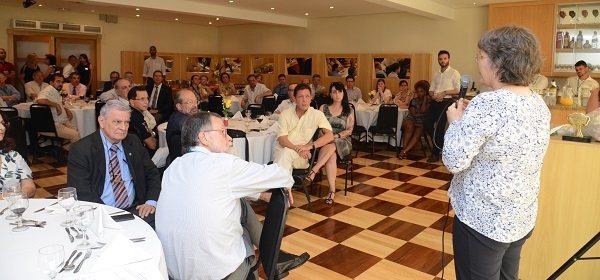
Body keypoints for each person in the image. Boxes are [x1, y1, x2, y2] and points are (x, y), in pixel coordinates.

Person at [443, 26, 550, 280]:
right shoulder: (538, 103)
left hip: (483, 220)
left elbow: (453, 161)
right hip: (518, 216)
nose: (478, 62)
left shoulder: (488, 102)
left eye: (480, 56)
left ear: (498, 62)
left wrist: (456, 121)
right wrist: (470, 121)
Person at [157, 111, 309, 280]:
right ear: (204, 138)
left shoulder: (173, 167)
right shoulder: (222, 164)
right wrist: (283, 185)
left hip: (174, 272)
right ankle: (272, 258)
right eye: (223, 132)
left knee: (239, 202)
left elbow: (217, 187)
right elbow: (281, 174)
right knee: (242, 231)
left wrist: (259, 194)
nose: (229, 138)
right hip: (216, 273)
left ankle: (277, 257)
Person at [67, 100, 161, 226]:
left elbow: (152, 173)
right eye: (117, 122)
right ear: (102, 121)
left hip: (136, 209)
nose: (123, 128)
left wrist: (150, 202)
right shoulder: (82, 149)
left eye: (126, 122)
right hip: (100, 213)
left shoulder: (133, 141)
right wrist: (106, 217)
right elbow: (82, 192)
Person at [308, 82, 354, 205]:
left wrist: (335, 136)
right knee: (331, 156)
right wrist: (325, 136)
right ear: (330, 94)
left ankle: (315, 168)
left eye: (339, 91)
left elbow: (349, 130)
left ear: (343, 94)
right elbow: (316, 125)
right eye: (334, 92)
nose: (337, 94)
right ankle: (332, 191)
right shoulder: (323, 108)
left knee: (334, 143)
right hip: (324, 139)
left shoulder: (348, 110)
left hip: (342, 140)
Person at [274, 83, 333, 173]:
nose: (304, 100)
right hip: (284, 150)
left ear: (311, 98)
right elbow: (282, 139)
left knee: (284, 156)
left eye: (307, 96)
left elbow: (329, 136)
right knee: (285, 153)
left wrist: (309, 146)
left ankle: (280, 185)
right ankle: (285, 186)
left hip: (302, 156)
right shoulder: (285, 114)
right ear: (295, 98)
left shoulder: (317, 115)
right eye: (300, 97)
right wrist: (297, 149)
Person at [424, 50, 460, 162]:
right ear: (438, 60)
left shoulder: (454, 73)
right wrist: (433, 96)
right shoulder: (436, 74)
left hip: (446, 102)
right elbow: (431, 90)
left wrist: (444, 93)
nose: (442, 61)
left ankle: (435, 153)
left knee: (439, 128)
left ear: (449, 59)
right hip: (434, 102)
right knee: (427, 125)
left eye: (445, 58)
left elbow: (458, 90)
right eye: (440, 59)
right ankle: (442, 146)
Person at [35, 74, 80, 150]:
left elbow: (58, 103)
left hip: (59, 122)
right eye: (58, 81)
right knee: (75, 135)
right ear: (51, 82)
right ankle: (74, 158)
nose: (60, 84)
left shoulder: (55, 91)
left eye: (62, 82)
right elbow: (40, 100)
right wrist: (56, 105)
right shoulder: (48, 90)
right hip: (51, 125)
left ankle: (65, 150)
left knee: (74, 129)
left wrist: (66, 109)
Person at [0, 114, 35, 198]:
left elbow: (30, 188)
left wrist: (15, 196)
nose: (2, 127)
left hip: (13, 207)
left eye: (2, 123)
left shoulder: (13, 156)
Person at [398, 80, 430, 159]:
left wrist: (425, 99)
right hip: (411, 119)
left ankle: (404, 151)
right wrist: (424, 114)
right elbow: (414, 115)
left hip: (421, 123)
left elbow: (422, 110)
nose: (419, 93)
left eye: (422, 91)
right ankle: (405, 150)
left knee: (418, 130)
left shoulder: (429, 101)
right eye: (418, 91)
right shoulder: (413, 101)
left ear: (425, 92)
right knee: (409, 127)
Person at [128, 86, 157, 157]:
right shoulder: (136, 118)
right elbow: (152, 145)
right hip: (141, 157)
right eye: (142, 99)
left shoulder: (130, 112)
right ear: (132, 102)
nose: (146, 102)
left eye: (147, 98)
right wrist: (152, 134)